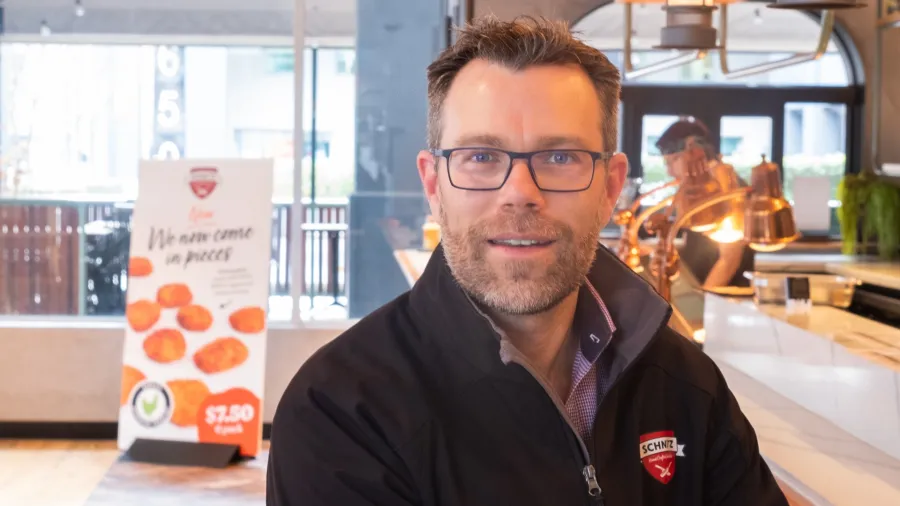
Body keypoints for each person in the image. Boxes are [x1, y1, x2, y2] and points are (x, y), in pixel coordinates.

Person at [267, 16, 787, 506]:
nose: (520, 193)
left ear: (610, 188)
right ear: (433, 184)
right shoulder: (340, 411)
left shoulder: (687, 387)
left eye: (560, 157)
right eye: (480, 157)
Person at [655, 118, 755, 289]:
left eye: (673, 160)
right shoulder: (695, 188)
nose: (670, 171)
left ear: (693, 151)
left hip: (722, 296)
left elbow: (729, 260)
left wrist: (703, 298)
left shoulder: (724, 186)